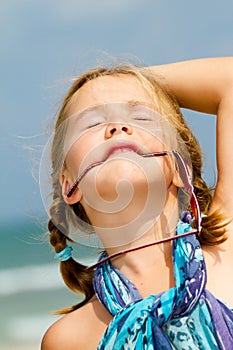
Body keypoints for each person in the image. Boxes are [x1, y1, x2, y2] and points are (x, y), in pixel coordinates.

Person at [41, 57, 233, 349]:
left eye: (141, 118)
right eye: (92, 123)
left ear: (180, 168)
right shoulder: (67, 339)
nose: (117, 127)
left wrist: (122, 81)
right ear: (69, 185)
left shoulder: (228, 247)